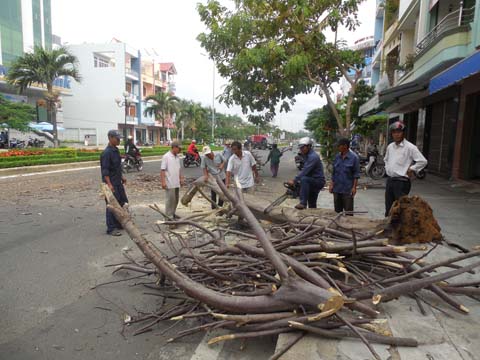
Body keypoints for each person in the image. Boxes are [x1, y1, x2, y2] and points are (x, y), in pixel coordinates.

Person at [384, 121, 427, 216]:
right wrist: (388, 169)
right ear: (391, 134)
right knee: (389, 208)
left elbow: (423, 161)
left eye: (399, 132)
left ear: (403, 133)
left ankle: (400, 230)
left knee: (400, 209)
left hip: (402, 182)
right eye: (394, 132)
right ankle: (388, 228)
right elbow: (386, 159)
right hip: (390, 181)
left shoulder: (410, 147)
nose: (397, 134)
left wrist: (412, 169)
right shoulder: (390, 147)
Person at [100, 130, 128, 236]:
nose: (119, 140)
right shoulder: (106, 153)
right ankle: (111, 228)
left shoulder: (115, 150)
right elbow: (105, 171)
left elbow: (116, 168)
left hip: (118, 182)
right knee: (111, 206)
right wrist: (109, 185)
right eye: (117, 138)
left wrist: (122, 177)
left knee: (121, 203)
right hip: (110, 184)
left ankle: (118, 223)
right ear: (110, 138)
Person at [288, 137, 325, 210]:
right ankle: (311, 216)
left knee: (304, 179)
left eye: (303, 147)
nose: (301, 149)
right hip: (311, 181)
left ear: (309, 146)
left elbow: (305, 170)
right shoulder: (306, 155)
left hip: (318, 181)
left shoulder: (313, 157)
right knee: (312, 202)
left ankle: (303, 203)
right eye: (300, 148)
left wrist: (294, 180)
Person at [329, 138, 360, 214]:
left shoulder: (354, 158)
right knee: (337, 212)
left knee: (348, 212)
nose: (338, 147)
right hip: (337, 189)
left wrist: (354, 188)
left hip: (347, 190)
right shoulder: (337, 157)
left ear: (345, 146)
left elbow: (356, 175)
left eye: (339, 146)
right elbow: (334, 172)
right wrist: (331, 184)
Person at [161, 141, 185, 220]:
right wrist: (163, 182)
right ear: (174, 147)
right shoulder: (166, 156)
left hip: (176, 182)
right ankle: (169, 217)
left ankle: (173, 213)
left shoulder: (177, 157)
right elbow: (163, 170)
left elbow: (179, 169)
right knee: (170, 200)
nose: (180, 150)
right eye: (179, 148)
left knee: (176, 199)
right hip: (169, 182)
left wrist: (181, 178)